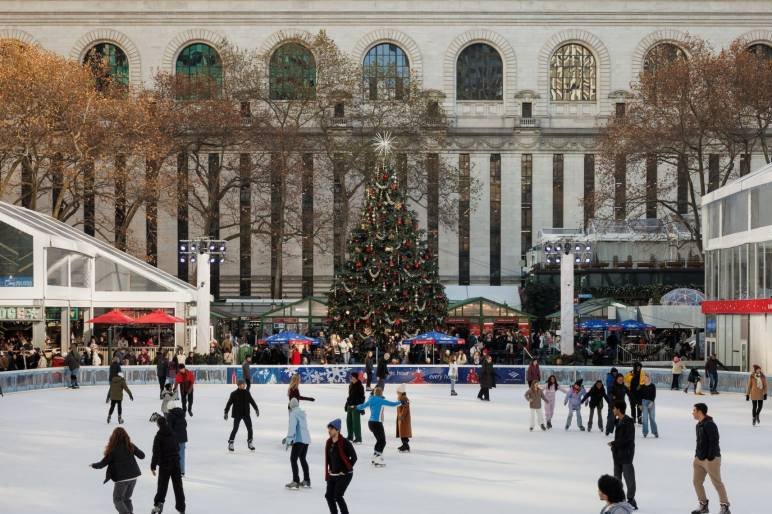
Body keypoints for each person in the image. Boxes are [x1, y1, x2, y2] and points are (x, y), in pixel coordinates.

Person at [90, 427, 145, 514]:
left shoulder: (113, 450)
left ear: (114, 437)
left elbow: (102, 464)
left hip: (122, 479)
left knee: (117, 499)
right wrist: (134, 449)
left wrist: (93, 465)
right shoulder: (130, 446)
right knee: (126, 499)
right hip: (133, 477)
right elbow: (142, 456)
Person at [691, 403, 730, 514]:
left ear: (700, 412)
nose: (692, 412)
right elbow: (698, 442)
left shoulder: (710, 425)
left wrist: (710, 457)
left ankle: (725, 506)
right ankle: (703, 505)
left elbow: (714, 441)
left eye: (694, 410)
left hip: (711, 459)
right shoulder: (698, 425)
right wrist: (696, 455)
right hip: (699, 459)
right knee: (696, 482)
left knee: (717, 483)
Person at [356, 387, 401, 466]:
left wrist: (356, 406)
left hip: (370, 423)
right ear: (381, 393)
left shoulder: (371, 399)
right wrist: (401, 402)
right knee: (382, 441)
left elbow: (362, 406)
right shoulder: (381, 400)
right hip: (377, 423)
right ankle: (377, 459)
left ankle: (375, 456)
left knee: (379, 440)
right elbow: (393, 404)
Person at [151, 416, 185, 514]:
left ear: (158, 424)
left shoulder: (158, 436)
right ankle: (181, 507)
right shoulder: (173, 433)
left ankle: (159, 504)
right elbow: (178, 448)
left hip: (165, 464)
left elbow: (156, 453)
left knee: (162, 485)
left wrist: (153, 466)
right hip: (175, 463)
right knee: (178, 486)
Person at [608, 401, 637, 510]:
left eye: (614, 408)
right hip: (617, 454)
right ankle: (619, 499)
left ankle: (631, 499)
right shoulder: (618, 421)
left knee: (629, 477)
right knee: (617, 478)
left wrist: (614, 443)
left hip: (626, 454)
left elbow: (627, 439)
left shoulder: (628, 422)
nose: (613, 410)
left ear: (619, 409)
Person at [325, 418, 357, 514]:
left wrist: (345, 470)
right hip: (333, 474)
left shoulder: (345, 442)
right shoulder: (329, 442)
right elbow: (329, 458)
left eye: (331, 429)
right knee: (329, 496)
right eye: (329, 429)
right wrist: (330, 469)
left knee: (338, 496)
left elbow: (354, 457)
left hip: (345, 475)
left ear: (337, 430)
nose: (329, 431)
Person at [224, 379, 260, 452]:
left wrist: (256, 409)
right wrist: (226, 412)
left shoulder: (247, 393)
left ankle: (250, 442)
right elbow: (229, 404)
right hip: (237, 414)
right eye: (242, 384)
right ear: (239, 385)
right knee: (235, 429)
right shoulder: (234, 394)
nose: (244, 385)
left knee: (250, 428)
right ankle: (231, 443)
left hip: (246, 414)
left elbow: (252, 401)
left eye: (244, 384)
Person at [285, 397, 311, 489]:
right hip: (306, 440)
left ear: (291, 405)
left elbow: (292, 428)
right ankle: (307, 480)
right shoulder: (302, 413)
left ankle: (295, 481)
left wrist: (288, 440)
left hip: (299, 440)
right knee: (302, 459)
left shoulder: (293, 414)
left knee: (293, 459)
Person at [166, 405, 188, 477]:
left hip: (174, 439)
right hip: (183, 438)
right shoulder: (181, 414)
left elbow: (169, 428)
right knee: (181, 455)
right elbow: (185, 424)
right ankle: (182, 471)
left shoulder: (170, 416)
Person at [345, 372, 365, 443]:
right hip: (349, 406)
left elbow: (362, 398)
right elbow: (350, 396)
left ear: (356, 378)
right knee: (348, 422)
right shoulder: (350, 385)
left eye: (353, 378)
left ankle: (358, 438)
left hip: (356, 407)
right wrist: (346, 404)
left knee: (356, 423)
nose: (352, 379)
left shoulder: (360, 386)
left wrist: (361, 407)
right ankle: (350, 436)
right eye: (351, 378)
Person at [395, 384, 412, 452]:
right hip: (402, 418)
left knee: (403, 432)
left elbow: (405, 408)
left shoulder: (403, 398)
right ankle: (404, 445)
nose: (397, 393)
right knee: (402, 432)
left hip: (403, 419)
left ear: (401, 392)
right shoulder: (402, 397)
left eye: (398, 392)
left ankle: (406, 446)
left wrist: (401, 415)